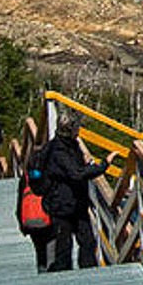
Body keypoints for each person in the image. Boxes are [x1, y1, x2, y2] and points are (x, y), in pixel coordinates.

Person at [38, 114, 119, 272]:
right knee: (64, 248)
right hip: (62, 205)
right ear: (70, 130)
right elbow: (76, 173)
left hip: (75, 203)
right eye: (76, 128)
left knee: (88, 242)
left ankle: (88, 275)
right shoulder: (58, 151)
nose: (79, 131)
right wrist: (104, 165)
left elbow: (78, 168)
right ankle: (66, 281)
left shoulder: (69, 145)